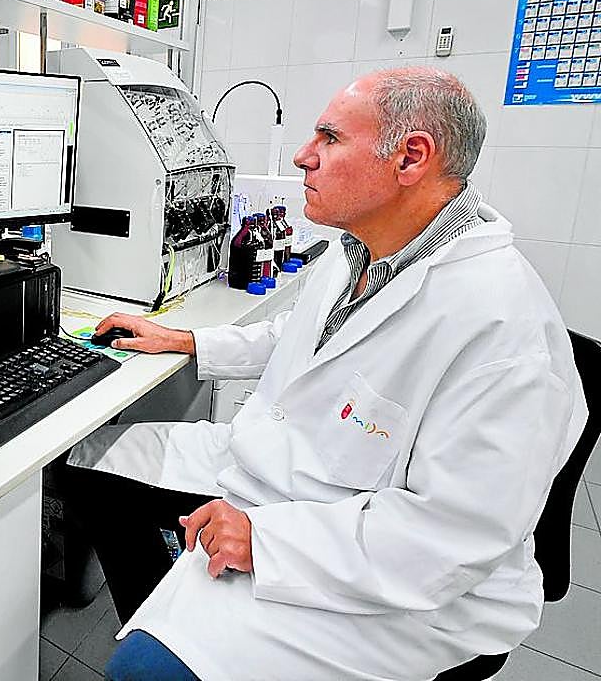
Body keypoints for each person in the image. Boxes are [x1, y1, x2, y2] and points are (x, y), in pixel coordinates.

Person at [64, 67, 588, 681]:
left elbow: (452, 537)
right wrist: (183, 339)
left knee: (144, 672)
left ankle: (190, 637)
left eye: (329, 138)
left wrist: (265, 540)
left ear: (411, 157)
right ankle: (173, 606)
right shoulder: (364, 251)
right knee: (89, 463)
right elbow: (297, 337)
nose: (302, 156)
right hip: (286, 469)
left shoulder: (505, 328)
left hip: (407, 586)